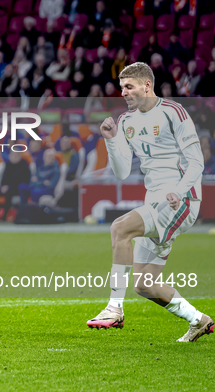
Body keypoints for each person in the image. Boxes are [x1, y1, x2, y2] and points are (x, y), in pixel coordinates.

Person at [86, 62, 211, 343]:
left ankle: (113, 308)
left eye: (129, 87)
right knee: (145, 284)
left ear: (146, 85)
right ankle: (199, 320)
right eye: (121, 88)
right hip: (156, 201)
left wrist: (179, 190)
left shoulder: (172, 112)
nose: (124, 93)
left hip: (182, 199)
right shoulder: (127, 122)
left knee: (119, 228)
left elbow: (196, 161)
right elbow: (121, 171)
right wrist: (111, 140)